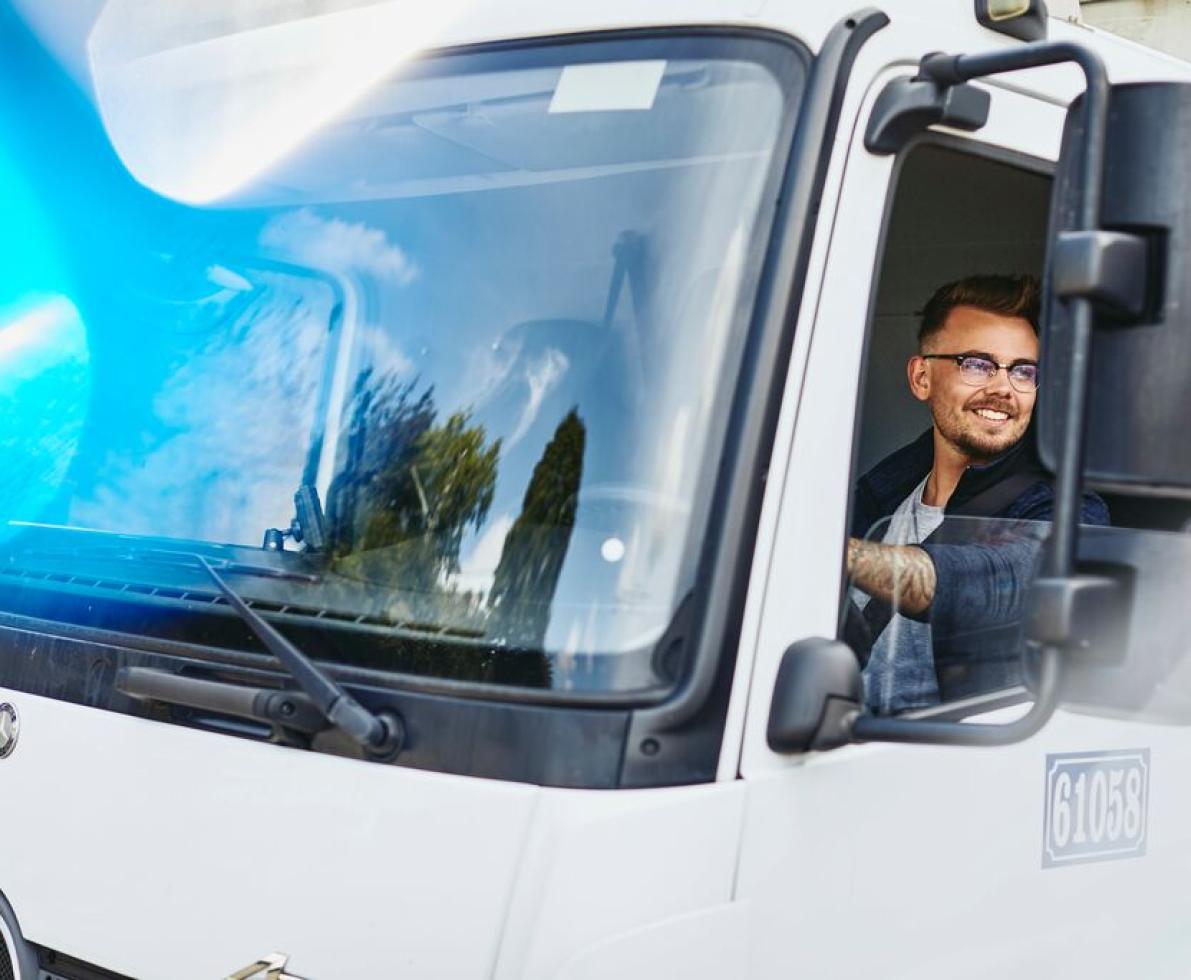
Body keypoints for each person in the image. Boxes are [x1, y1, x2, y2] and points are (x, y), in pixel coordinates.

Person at [846, 274, 1109, 714]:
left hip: (963, 767)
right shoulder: (880, 493)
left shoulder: (1068, 510)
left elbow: (991, 582)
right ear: (921, 378)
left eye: (1024, 371)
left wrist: (837, 556)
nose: (1004, 388)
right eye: (977, 364)